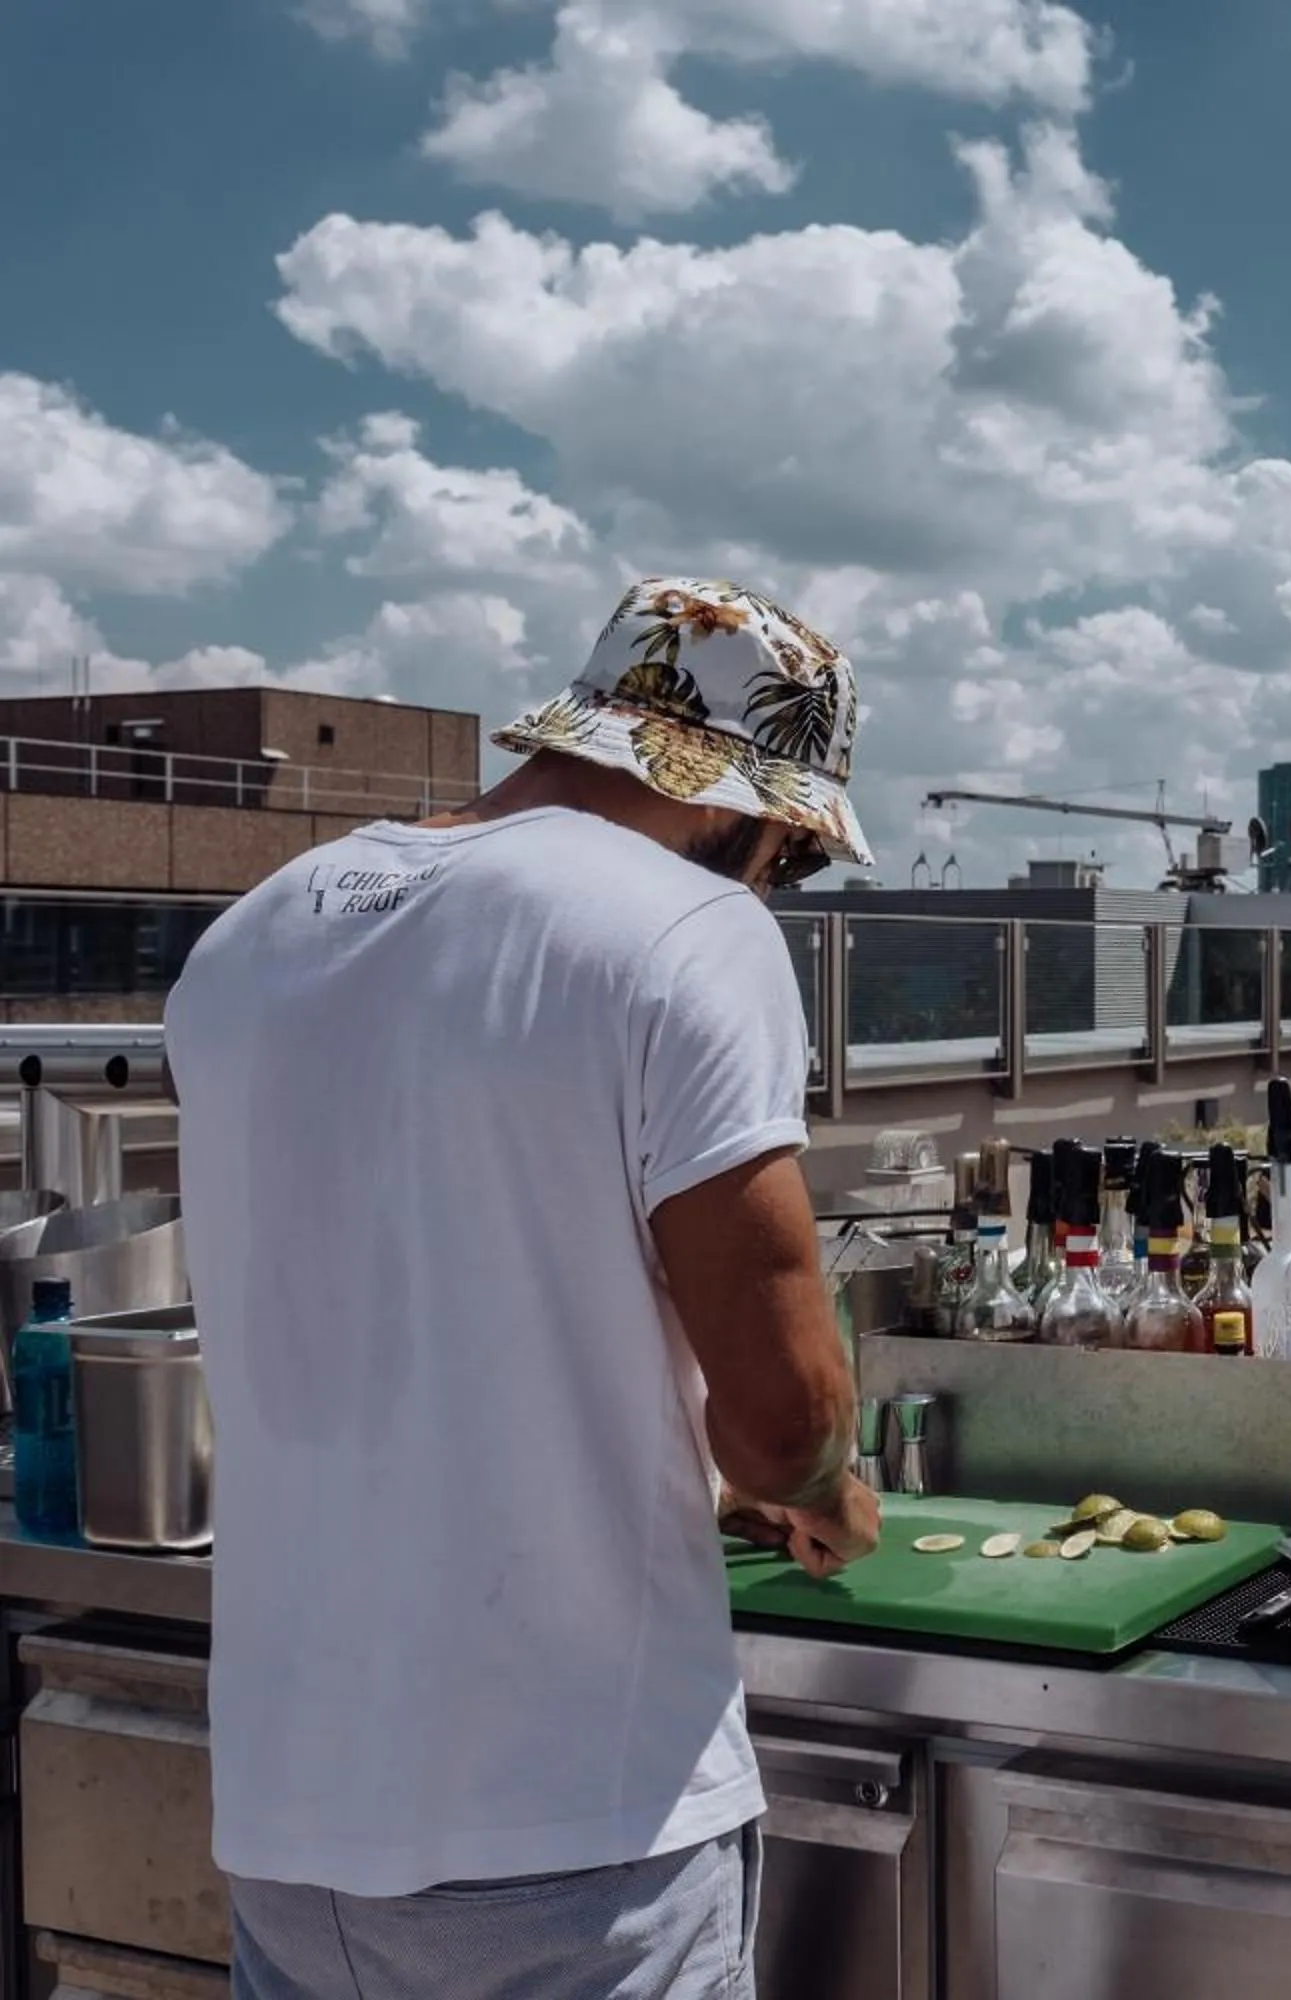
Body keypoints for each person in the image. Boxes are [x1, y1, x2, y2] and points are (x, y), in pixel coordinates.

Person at [166, 578, 886, 1999]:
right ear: (737, 799)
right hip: (575, 1823)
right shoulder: (689, 929)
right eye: (788, 854)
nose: (769, 884)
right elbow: (784, 1417)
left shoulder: (255, 930)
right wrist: (823, 1490)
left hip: (288, 1829)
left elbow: (417, 1291)